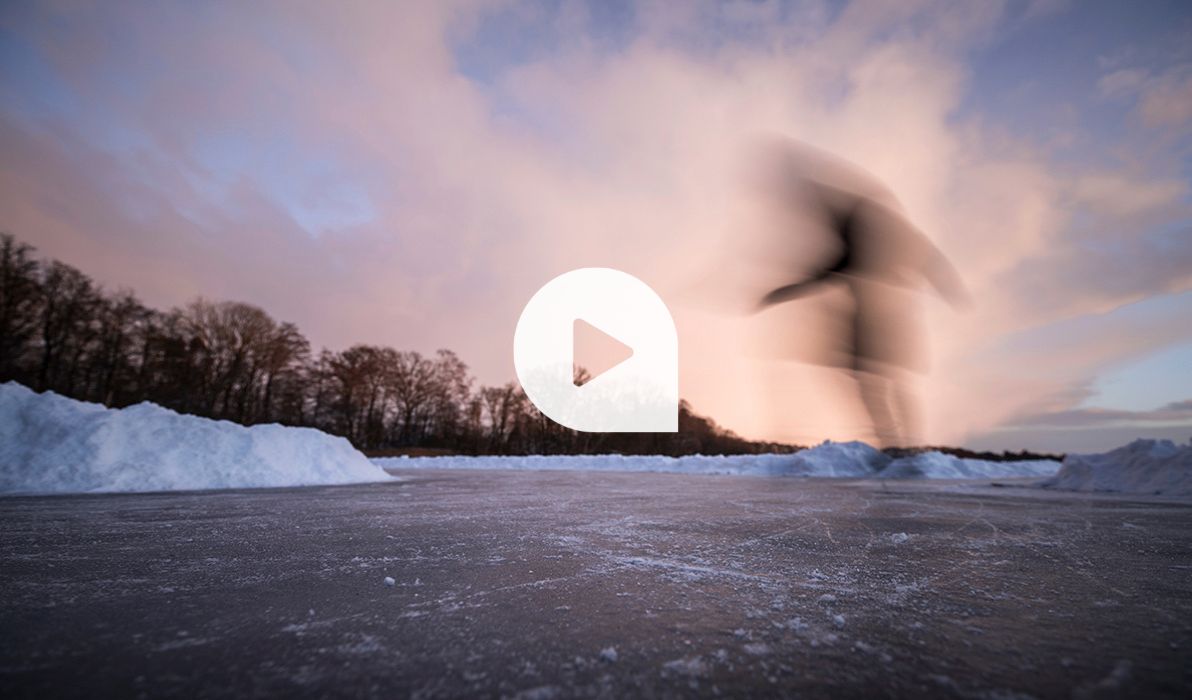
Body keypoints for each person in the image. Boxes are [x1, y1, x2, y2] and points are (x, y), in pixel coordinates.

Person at [754, 142, 969, 447]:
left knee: (881, 378)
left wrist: (784, 291)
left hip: (880, 311)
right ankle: (898, 445)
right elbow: (918, 251)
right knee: (877, 378)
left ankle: (902, 446)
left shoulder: (853, 214)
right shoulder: (855, 212)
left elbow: (842, 262)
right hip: (875, 310)